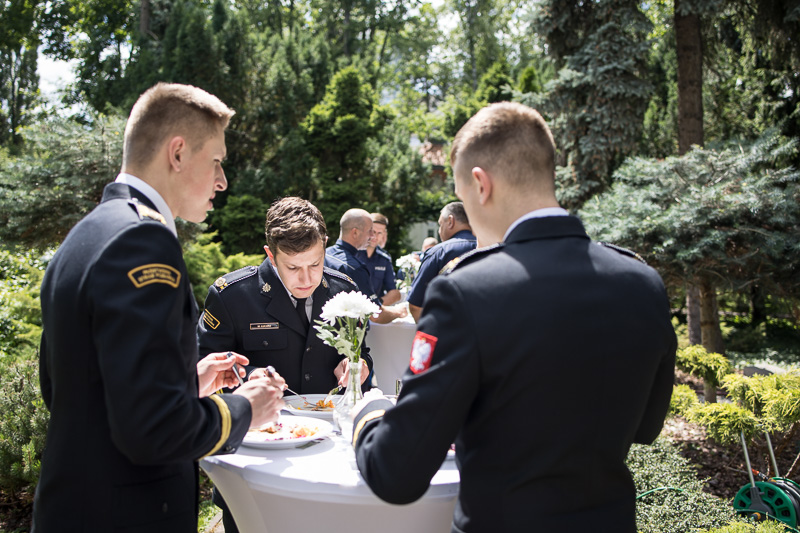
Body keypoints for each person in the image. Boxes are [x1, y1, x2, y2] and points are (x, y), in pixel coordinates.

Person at [350, 102, 677, 532]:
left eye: (462, 196)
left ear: (480, 185)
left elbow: (396, 472)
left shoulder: (465, 291)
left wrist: (369, 412)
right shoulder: (643, 282)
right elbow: (647, 427)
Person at [34, 83, 285, 532]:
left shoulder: (88, 233)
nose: (222, 181)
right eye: (217, 161)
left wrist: (185, 383)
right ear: (178, 153)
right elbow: (153, 429)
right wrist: (245, 408)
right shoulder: (144, 241)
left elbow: (67, 389)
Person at [198, 196, 373, 533]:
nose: (306, 278)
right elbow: (204, 367)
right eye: (292, 268)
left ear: (325, 246)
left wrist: (357, 365)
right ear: (270, 254)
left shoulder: (343, 289)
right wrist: (251, 376)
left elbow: (362, 352)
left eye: (316, 263)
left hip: (328, 453)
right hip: (257, 452)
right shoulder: (232, 295)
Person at [325, 208, 407, 324]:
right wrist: (398, 312)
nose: (372, 236)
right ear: (355, 232)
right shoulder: (355, 267)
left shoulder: (324, 255)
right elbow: (376, 315)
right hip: (348, 330)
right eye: (370, 231)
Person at [406, 202, 477, 321]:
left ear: (450, 221)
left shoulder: (438, 252)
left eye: (440, 224)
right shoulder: (493, 248)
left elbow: (416, 305)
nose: (439, 231)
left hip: (448, 327)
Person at [357, 212, 401, 305]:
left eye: (379, 233)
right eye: (373, 231)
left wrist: (375, 305)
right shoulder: (352, 254)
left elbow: (393, 293)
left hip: (375, 310)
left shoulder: (384, 259)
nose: (375, 236)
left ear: (384, 234)